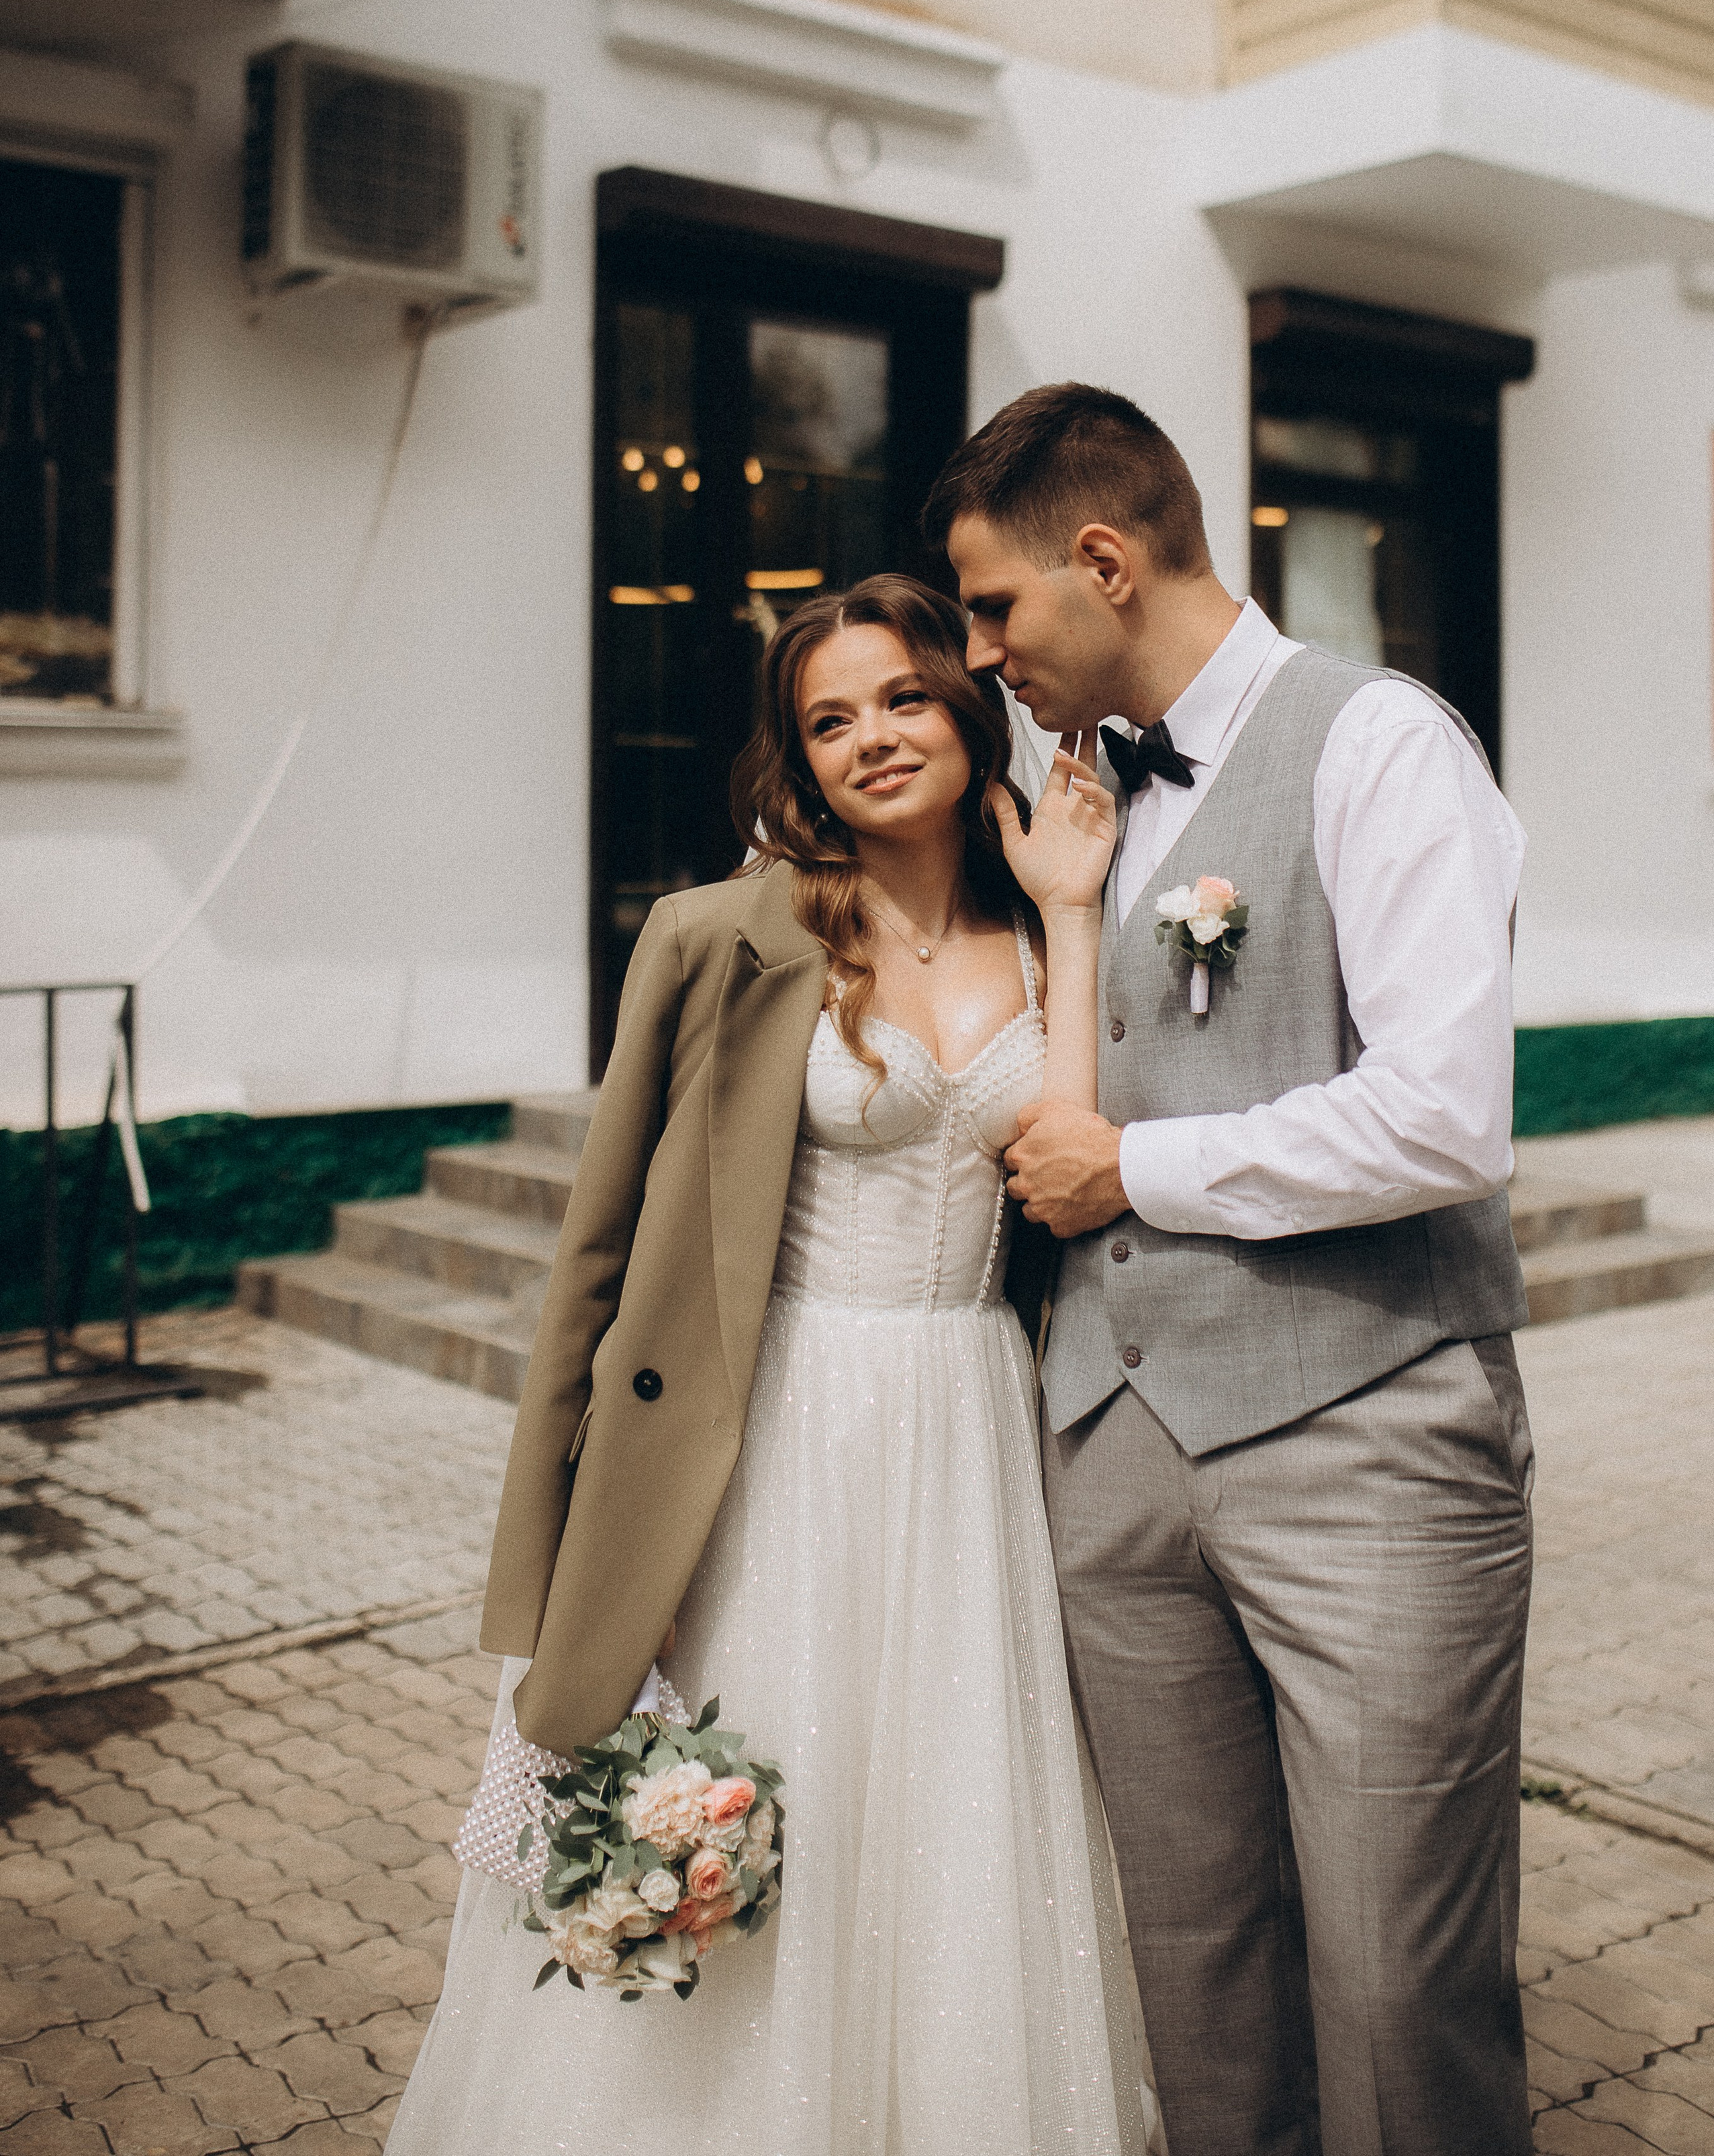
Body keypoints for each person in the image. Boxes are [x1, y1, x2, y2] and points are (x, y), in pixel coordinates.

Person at [386, 573, 1155, 2156]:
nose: (871, 737)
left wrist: (1075, 909)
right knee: (745, 1781)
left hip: (969, 1427)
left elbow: (1070, 1163)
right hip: (771, 1431)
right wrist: (571, 1541)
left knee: (946, 1810)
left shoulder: (1042, 926)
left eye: (902, 696)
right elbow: (599, 1255)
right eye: (827, 720)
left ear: (966, 704)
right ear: (795, 760)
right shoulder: (715, 937)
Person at [928, 383, 1536, 2156]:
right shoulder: (1074, 798)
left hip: (1366, 1440)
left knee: (1398, 1990)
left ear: (1104, 562)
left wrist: (1134, 1168)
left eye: (994, 609)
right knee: (1194, 1969)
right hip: (1112, 1455)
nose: (981, 657)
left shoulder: (1378, 743)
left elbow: (1444, 1115)